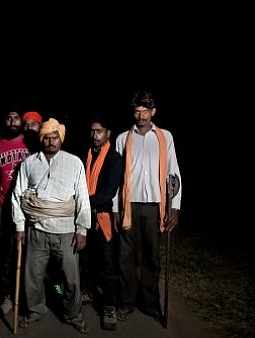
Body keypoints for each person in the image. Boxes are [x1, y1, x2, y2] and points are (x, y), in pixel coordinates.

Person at [12, 118, 93, 334]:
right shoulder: (28, 164)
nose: (50, 141)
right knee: (33, 275)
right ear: (41, 139)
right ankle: (36, 310)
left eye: (54, 136)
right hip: (37, 230)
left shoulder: (74, 162)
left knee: (71, 278)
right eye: (46, 137)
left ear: (61, 138)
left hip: (66, 231)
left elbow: (83, 198)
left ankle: (73, 314)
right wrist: (20, 226)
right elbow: (18, 196)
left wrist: (82, 229)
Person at [112, 90, 182, 325]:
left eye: (145, 111)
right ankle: (126, 302)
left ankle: (151, 303)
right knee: (125, 257)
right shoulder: (123, 138)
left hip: (155, 207)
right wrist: (115, 208)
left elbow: (173, 173)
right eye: (137, 110)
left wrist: (175, 207)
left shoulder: (165, 137)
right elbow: (116, 177)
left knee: (152, 258)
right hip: (129, 205)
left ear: (153, 112)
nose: (140, 115)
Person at [0, 104, 30, 316]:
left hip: (28, 205)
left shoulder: (31, 141)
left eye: (16, 117)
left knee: (31, 252)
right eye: (9, 117)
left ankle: (31, 294)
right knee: (6, 253)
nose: (13, 121)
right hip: (4, 205)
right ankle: (7, 294)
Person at [82, 114, 124, 331]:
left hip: (103, 216)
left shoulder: (114, 159)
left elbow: (108, 193)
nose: (94, 135)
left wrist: (83, 201)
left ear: (108, 134)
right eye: (92, 131)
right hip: (87, 216)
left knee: (108, 263)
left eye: (99, 131)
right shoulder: (87, 154)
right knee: (86, 258)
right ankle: (88, 291)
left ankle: (110, 305)